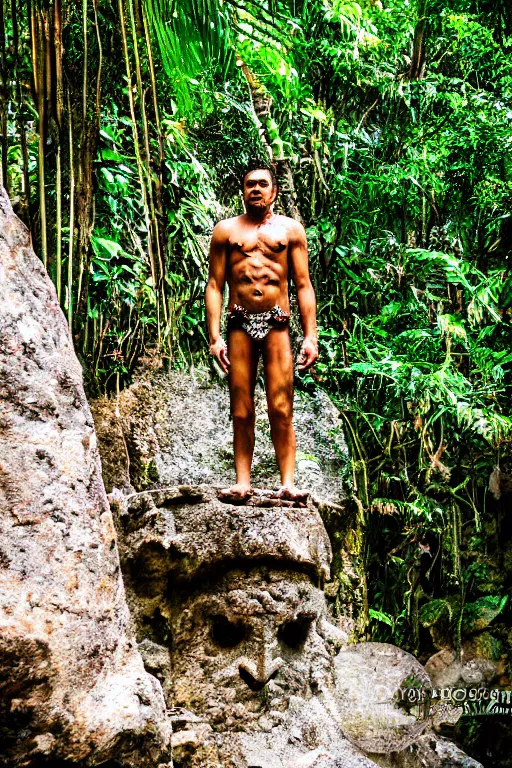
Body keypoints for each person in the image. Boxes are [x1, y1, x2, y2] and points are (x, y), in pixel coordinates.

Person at [205, 166, 318, 500]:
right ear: (242, 191)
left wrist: (311, 337)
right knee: (241, 407)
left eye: (262, 184)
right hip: (239, 323)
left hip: (277, 324)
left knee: (281, 407)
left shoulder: (291, 231)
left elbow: (303, 284)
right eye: (250, 184)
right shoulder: (226, 231)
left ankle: (287, 483)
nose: (256, 188)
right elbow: (214, 285)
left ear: (274, 192)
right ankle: (243, 482)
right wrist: (214, 337)